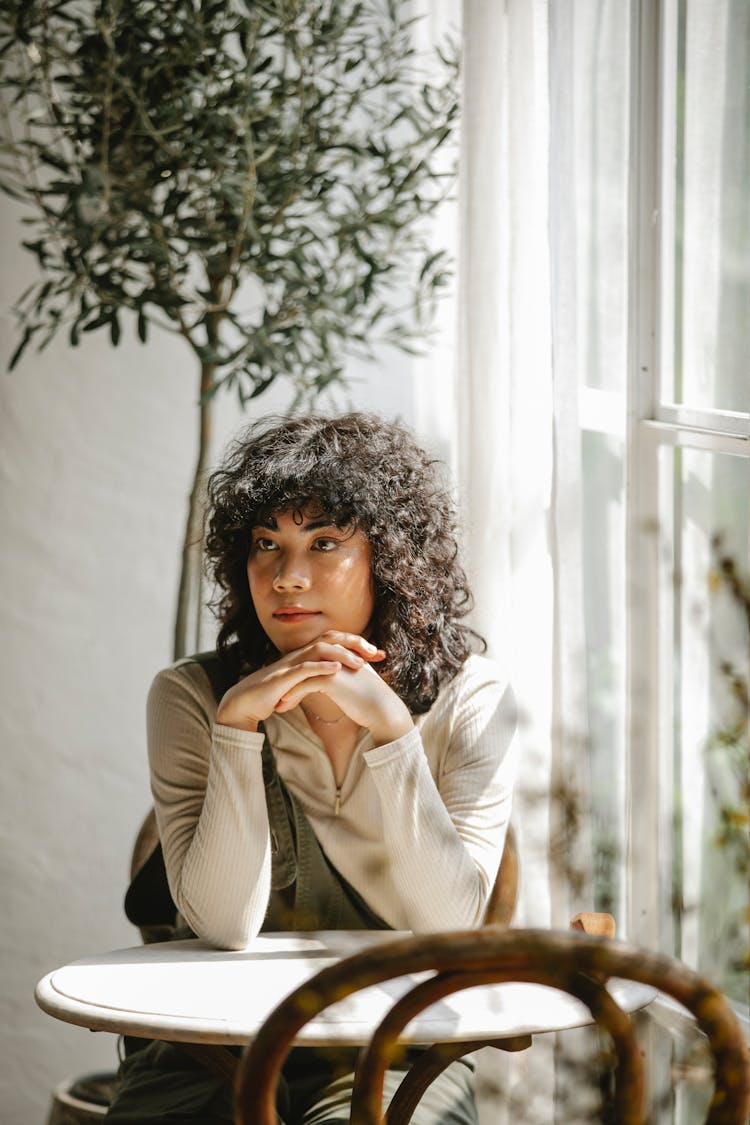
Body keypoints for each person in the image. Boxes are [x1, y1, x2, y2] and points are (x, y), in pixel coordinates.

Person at [106, 412, 518, 1125]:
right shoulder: (192, 698)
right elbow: (224, 924)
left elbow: (447, 923)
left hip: (395, 1050)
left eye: (323, 542)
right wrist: (237, 726)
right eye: (266, 545)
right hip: (205, 1046)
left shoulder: (471, 700)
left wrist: (390, 727)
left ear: (390, 557)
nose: (287, 578)